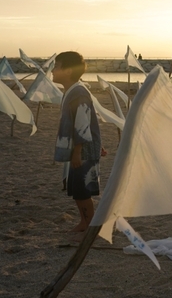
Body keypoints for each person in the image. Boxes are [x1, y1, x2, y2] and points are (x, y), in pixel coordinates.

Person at [52, 51, 101, 235]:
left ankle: (90, 229)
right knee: (75, 188)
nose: (52, 70)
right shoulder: (72, 90)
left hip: (83, 148)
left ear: (68, 71)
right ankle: (83, 222)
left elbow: (82, 123)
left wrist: (78, 151)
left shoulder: (78, 92)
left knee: (82, 190)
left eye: (57, 66)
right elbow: (90, 121)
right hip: (81, 147)